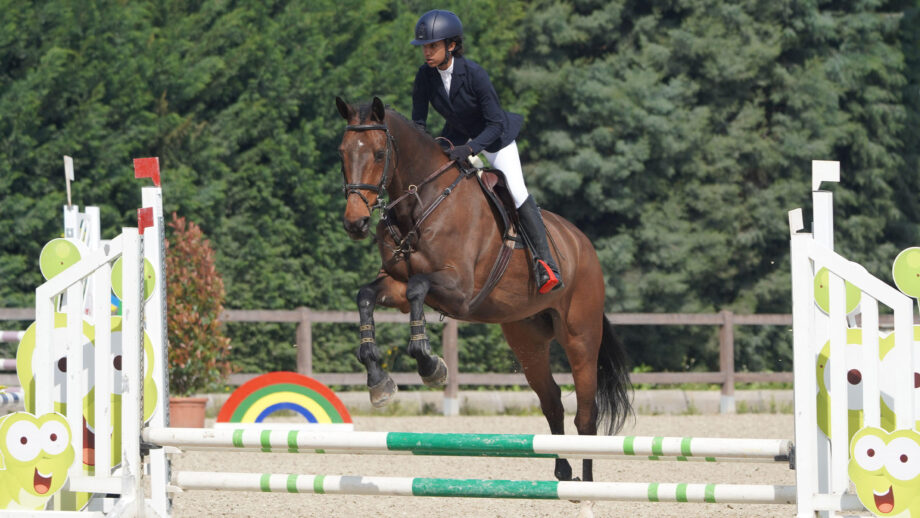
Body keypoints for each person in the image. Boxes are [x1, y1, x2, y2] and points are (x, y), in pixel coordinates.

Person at [409, 9, 563, 294]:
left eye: (433, 46)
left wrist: (470, 148)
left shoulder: (475, 74)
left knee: (516, 191)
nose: (427, 53)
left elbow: (494, 123)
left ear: (451, 46)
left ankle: (546, 265)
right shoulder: (425, 76)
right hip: (458, 137)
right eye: (424, 48)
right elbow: (418, 122)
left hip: (495, 139)